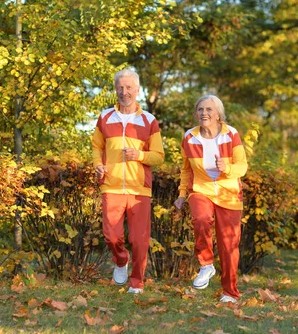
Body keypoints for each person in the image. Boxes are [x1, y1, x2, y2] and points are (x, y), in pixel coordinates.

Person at [91, 69, 165, 294]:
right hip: (111, 185)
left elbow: (159, 157)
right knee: (112, 236)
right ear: (116, 89)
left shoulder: (149, 120)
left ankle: (137, 282)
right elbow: (97, 147)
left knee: (139, 239)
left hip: (139, 189)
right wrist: (98, 165)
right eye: (121, 87)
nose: (125, 92)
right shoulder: (105, 117)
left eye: (129, 87)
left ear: (138, 90)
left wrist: (139, 155)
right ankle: (121, 260)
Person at [174, 95, 248, 303]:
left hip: (229, 193)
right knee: (200, 219)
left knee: (229, 245)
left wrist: (228, 168)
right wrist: (181, 194)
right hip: (201, 190)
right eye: (200, 109)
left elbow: (242, 166)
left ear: (218, 114)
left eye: (209, 109)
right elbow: (186, 170)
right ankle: (206, 264)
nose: (204, 113)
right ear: (196, 113)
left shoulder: (231, 134)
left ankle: (230, 292)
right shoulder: (189, 137)